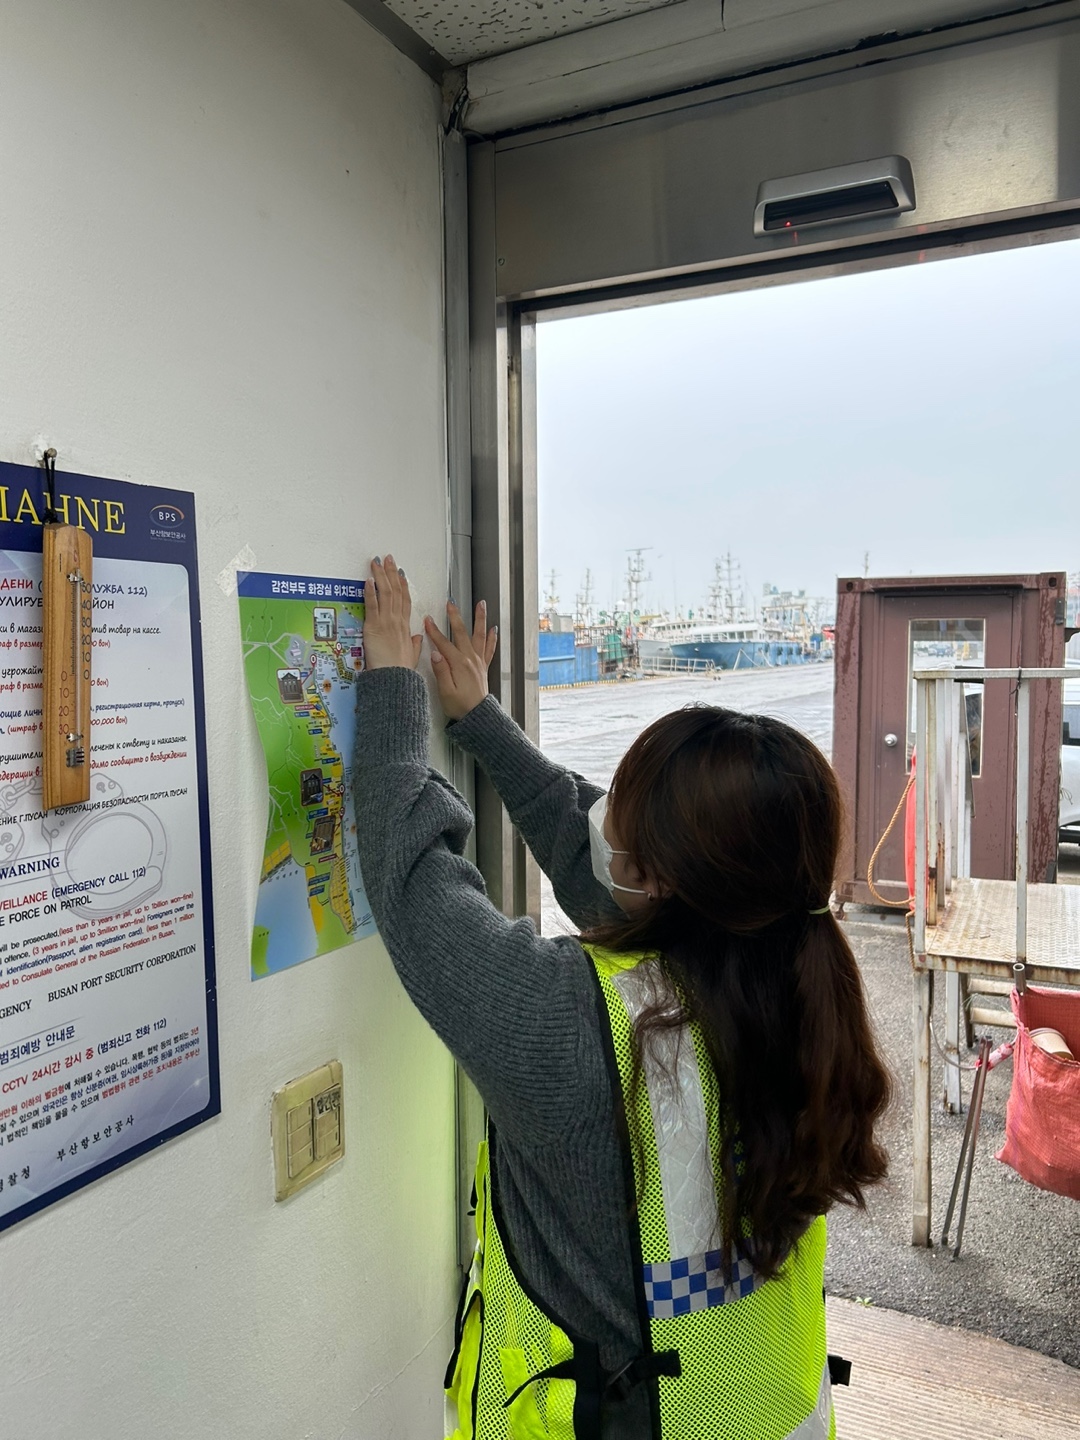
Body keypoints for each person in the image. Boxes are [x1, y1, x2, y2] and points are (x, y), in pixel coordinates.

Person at [353, 555, 892, 1440]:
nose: (603, 828)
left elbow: (417, 889)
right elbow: (587, 847)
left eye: (626, 825)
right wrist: (482, 721)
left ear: (658, 881)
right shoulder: (790, 976)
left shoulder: (572, 1028)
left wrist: (388, 692)